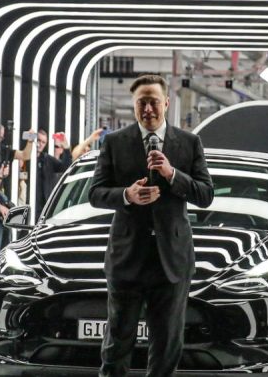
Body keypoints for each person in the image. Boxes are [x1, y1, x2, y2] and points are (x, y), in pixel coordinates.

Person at [89, 74, 214, 377]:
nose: (148, 109)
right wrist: (126, 195)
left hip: (171, 260)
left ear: (166, 103)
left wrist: (173, 174)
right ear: (134, 105)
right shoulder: (115, 142)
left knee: (167, 345)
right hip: (127, 258)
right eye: (141, 103)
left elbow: (205, 194)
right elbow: (95, 193)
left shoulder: (189, 143)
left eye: (154, 102)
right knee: (117, 343)